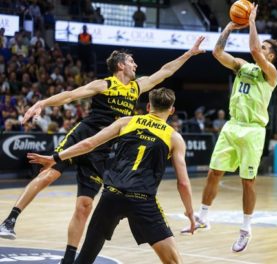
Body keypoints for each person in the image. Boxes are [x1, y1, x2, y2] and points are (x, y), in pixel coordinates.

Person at [0, 36, 205, 264]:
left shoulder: (137, 87)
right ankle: (10, 219)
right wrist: (42, 103)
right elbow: (70, 95)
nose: (135, 65)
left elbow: (165, 71)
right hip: (85, 135)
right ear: (121, 65)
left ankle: (68, 260)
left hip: (103, 149)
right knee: (50, 172)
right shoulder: (104, 84)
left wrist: (189, 53)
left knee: (85, 207)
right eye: (131, 61)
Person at [28, 88, 195, 264]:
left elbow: (89, 143)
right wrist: (190, 213)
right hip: (142, 200)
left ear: (148, 106)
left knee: (84, 259)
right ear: (172, 110)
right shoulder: (174, 138)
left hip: (111, 196)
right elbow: (183, 183)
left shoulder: (126, 122)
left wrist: (56, 157)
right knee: (174, 262)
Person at [181, 4, 277, 253]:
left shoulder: (270, 72)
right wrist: (228, 27)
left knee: (248, 181)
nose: (262, 49)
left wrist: (252, 23)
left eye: (266, 48)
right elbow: (217, 52)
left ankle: (246, 228)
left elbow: (254, 49)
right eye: (264, 46)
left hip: (253, 130)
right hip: (232, 125)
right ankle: (203, 216)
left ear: (270, 56)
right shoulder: (241, 66)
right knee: (214, 172)